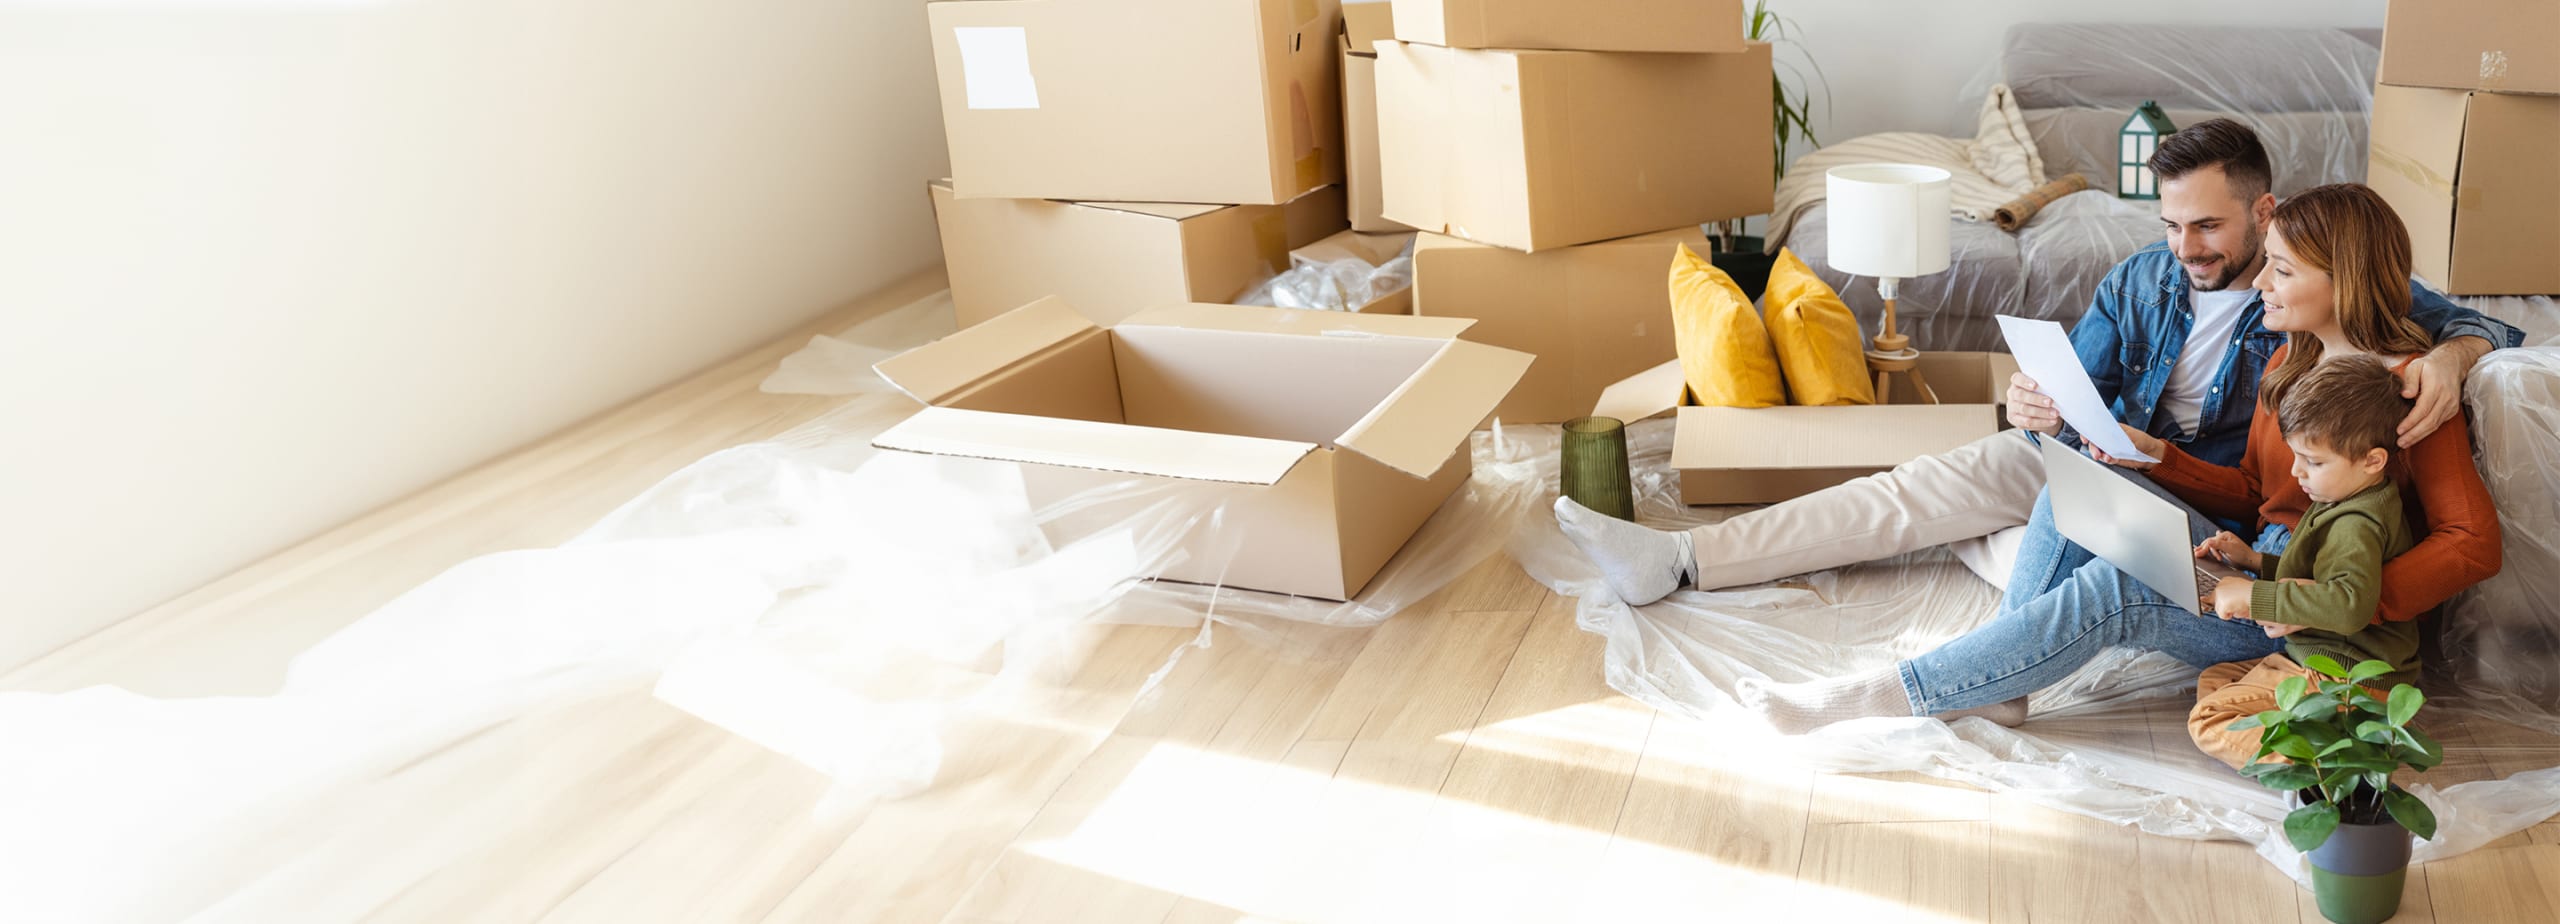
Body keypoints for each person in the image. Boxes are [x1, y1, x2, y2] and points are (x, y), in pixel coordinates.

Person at [1556, 120, 2520, 608]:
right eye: (2171, 222)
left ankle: (2039, 585)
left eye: (2210, 225)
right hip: (2123, 464)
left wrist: (2457, 352)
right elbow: (2076, 388)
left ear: (2265, 213)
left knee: (1981, 518)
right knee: (1938, 483)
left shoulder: (2312, 281)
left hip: (2211, 506)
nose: (2187, 245)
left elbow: (2489, 324)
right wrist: (2038, 401)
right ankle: (1682, 560)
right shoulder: (2143, 276)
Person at [1727, 183, 2502, 734]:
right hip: (2262, 565)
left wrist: (2326, 594)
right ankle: (1998, 682)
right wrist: (2155, 456)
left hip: (2303, 613)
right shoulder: (2288, 362)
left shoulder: (2407, 390)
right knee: (2074, 483)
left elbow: (2474, 545)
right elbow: (2253, 496)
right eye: (2266, 261)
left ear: (2347, 280)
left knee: (2119, 584)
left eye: (2284, 271)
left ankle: (1889, 695)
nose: (2259, 281)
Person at [2184, 355, 2419, 769]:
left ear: (2373, 460)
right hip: (2319, 661)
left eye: (2314, 461)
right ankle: (2317, 731)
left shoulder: (2356, 524)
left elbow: (2349, 604)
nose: (2297, 473)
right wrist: (2254, 560)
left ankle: (2328, 764)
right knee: (2216, 679)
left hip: (2347, 678)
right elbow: (2318, 575)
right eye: (2296, 456)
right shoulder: (2342, 494)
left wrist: (2254, 597)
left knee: (2208, 719)